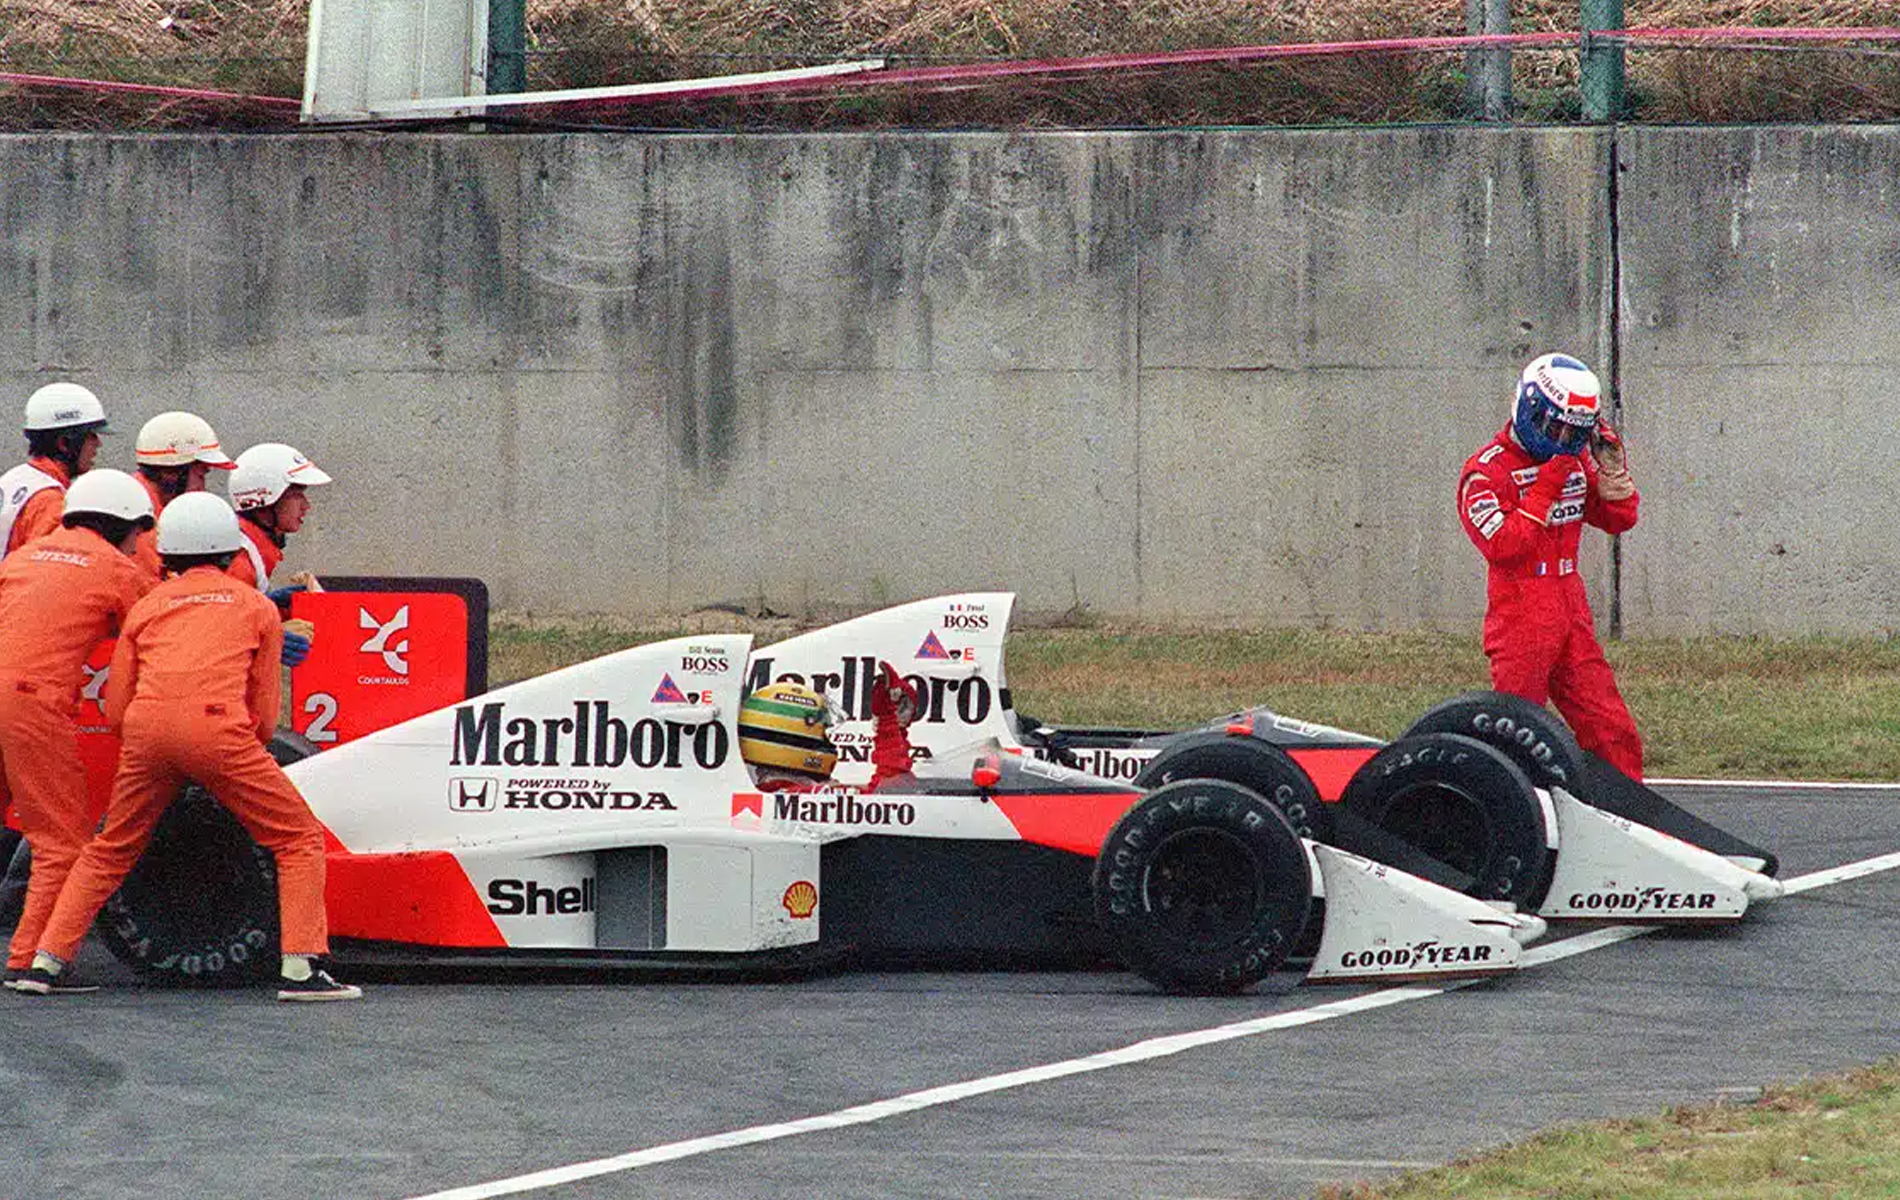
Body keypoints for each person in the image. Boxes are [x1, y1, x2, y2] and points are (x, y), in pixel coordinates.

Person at [15, 493, 361, 1001]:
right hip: (220, 731)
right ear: (227, 550)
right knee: (297, 839)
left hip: (145, 732)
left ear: (168, 551)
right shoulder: (256, 606)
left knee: (109, 849)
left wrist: (153, 749)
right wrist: (228, 763)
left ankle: (44, 962)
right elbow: (263, 713)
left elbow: (116, 707)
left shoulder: (149, 604)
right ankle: (302, 968)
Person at [0, 471, 156, 991]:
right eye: (137, 534)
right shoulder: (114, 566)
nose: (139, 545)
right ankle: (29, 960)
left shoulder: (25, 556)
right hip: (30, 703)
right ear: (120, 527)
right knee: (61, 842)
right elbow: (159, 620)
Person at [1457, 352, 1644, 779]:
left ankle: (1631, 821)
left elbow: (1620, 519)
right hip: (1521, 610)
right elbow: (1505, 547)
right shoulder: (1486, 473)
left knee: (1611, 728)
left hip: (1570, 606)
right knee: (1517, 733)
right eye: (1552, 427)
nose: (1561, 440)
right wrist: (1547, 485)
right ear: (1528, 407)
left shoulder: (1575, 459)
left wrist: (1614, 474)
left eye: (1573, 433)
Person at [227, 443, 333, 668]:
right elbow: (212, 636)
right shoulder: (239, 559)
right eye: (297, 495)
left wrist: (270, 608)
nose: (306, 506)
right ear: (267, 498)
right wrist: (268, 637)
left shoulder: (252, 547)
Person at [738, 662, 918, 792]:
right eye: (822, 733)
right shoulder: (798, 796)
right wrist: (888, 722)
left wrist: (892, 725)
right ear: (792, 737)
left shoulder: (785, 791)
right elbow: (893, 791)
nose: (829, 742)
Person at [0, 382, 110, 558]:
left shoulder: (15, 478)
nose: (98, 444)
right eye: (91, 435)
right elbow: (43, 574)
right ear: (64, 443)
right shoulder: (51, 502)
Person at [129, 411, 236, 578]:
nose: (202, 488)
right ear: (171, 473)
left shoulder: (135, 502)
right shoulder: (144, 529)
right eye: (200, 475)